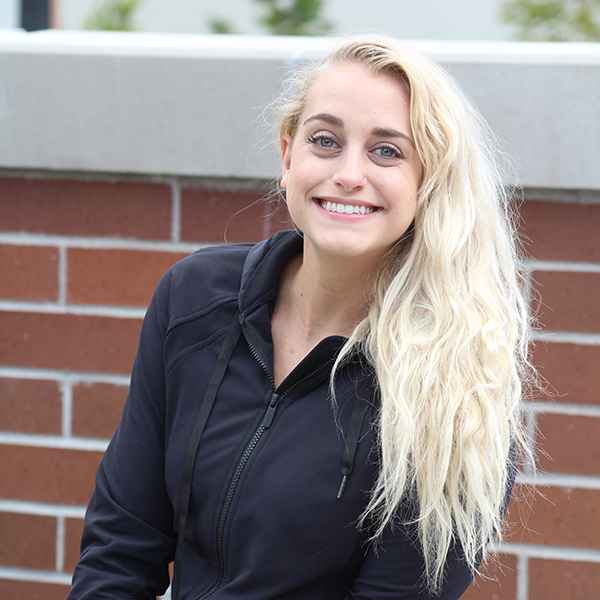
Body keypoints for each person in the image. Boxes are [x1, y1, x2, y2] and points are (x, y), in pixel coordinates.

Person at [67, 36, 533, 600]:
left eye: (387, 151)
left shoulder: (458, 395)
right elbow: (120, 545)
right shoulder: (194, 299)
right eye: (325, 141)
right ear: (288, 156)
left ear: (427, 182)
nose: (349, 173)